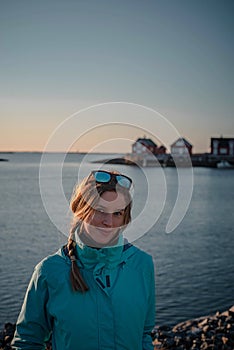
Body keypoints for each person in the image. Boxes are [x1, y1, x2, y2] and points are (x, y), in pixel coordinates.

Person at [12, 170, 156, 350]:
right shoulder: (49, 272)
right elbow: (27, 341)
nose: (108, 222)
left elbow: (145, 333)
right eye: (100, 210)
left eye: (117, 213)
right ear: (82, 210)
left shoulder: (142, 265)